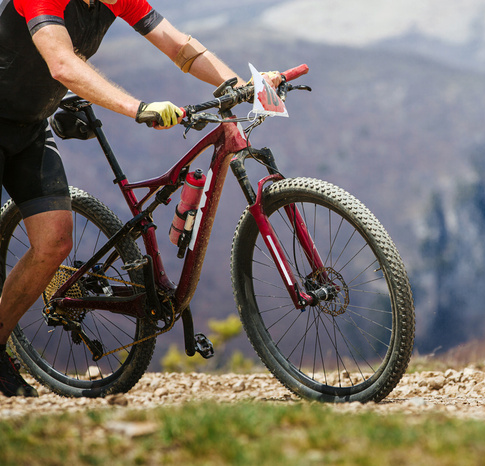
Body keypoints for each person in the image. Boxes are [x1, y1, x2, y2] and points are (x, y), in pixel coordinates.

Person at [0, 0, 278, 397]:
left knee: (55, 242)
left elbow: (180, 47)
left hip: (29, 128)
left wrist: (239, 85)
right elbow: (62, 64)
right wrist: (138, 108)